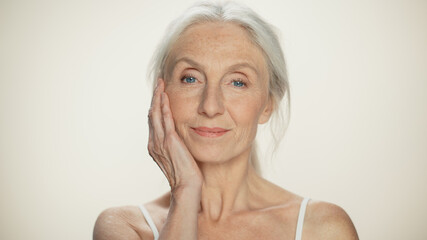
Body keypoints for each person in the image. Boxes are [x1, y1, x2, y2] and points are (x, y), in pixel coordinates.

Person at [93, 1, 359, 239]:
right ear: (161, 93)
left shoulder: (323, 228)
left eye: (237, 82)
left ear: (267, 105)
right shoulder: (125, 227)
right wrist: (185, 192)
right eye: (190, 78)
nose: (210, 106)